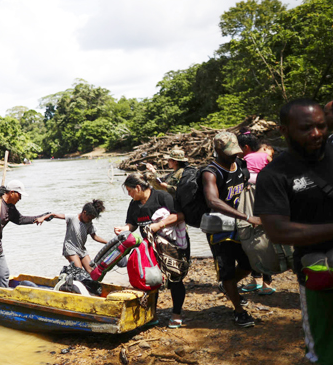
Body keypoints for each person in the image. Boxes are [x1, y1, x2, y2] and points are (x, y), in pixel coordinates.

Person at [255, 99, 333, 365]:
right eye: (306, 128)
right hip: (319, 276)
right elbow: (278, 231)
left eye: (321, 126)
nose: (315, 133)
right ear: (284, 130)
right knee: (327, 357)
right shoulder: (275, 175)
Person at [201, 131, 260, 328]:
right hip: (219, 229)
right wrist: (246, 216)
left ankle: (228, 285)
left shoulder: (240, 165)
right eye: (229, 152)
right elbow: (213, 201)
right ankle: (239, 312)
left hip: (239, 225)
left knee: (248, 264)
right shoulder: (211, 172)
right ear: (217, 150)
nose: (234, 155)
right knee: (226, 270)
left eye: (236, 151)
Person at [114, 174, 187, 328]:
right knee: (150, 279)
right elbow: (132, 224)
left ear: (138, 188)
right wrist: (124, 229)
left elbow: (180, 215)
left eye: (129, 190)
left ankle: (176, 314)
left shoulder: (162, 197)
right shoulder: (134, 204)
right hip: (149, 247)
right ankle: (151, 314)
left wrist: (159, 225)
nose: (129, 194)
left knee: (175, 279)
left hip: (171, 246)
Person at [0, 180, 52, 288]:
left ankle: (4, 297)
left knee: (4, 275)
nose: (20, 199)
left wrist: (41, 217)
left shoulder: (10, 208)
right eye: (19, 195)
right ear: (12, 193)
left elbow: (20, 220)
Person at [237, 131, 274, 295]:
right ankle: (265, 282)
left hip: (248, 202)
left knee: (251, 240)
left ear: (245, 147)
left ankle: (260, 280)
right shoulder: (266, 157)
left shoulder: (243, 160)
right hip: (267, 201)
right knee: (266, 239)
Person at [51, 200, 107, 274]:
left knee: (93, 272)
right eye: (89, 218)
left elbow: (95, 237)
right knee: (79, 271)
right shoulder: (73, 218)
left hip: (81, 250)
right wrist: (42, 218)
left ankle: (79, 280)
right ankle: (69, 279)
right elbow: (54, 215)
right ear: (84, 212)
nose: (90, 221)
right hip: (70, 248)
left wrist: (108, 243)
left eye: (91, 219)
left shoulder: (89, 223)